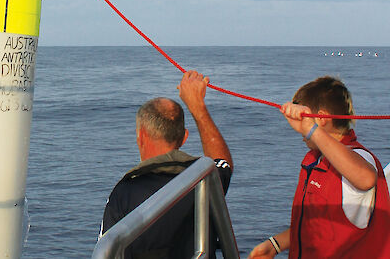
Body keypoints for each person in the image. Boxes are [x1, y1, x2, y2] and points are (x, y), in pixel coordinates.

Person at [248, 76, 390, 258]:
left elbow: (366, 178)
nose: (298, 130)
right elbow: (319, 225)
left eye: (303, 121)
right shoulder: (318, 160)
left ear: (322, 118)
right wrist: (275, 244)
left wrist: (312, 130)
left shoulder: (358, 158)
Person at [99, 70, 233, 258]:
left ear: (140, 136)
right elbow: (223, 163)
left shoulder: (123, 193)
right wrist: (197, 106)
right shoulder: (204, 181)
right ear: (184, 137)